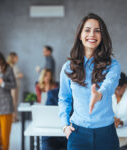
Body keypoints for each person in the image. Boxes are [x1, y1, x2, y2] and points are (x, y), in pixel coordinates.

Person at [58, 13, 121, 150]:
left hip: (106, 134)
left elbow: (110, 85)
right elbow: (64, 98)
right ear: (80, 35)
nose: (92, 34)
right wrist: (64, 126)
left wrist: (100, 94)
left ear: (102, 36)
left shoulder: (113, 65)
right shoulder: (68, 68)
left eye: (97, 31)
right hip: (77, 134)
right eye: (87, 30)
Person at [112, 72, 127, 149]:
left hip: (125, 136)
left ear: (125, 86)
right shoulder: (111, 95)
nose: (115, 92)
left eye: (118, 89)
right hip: (112, 135)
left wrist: (122, 122)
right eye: (114, 89)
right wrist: (112, 119)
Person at [7, 52, 23, 122]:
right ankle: (12, 118)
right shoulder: (9, 66)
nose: (18, 59)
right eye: (16, 57)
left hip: (16, 87)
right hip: (12, 87)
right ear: (13, 58)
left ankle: (14, 117)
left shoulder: (14, 66)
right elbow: (9, 77)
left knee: (15, 102)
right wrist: (18, 75)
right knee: (13, 102)